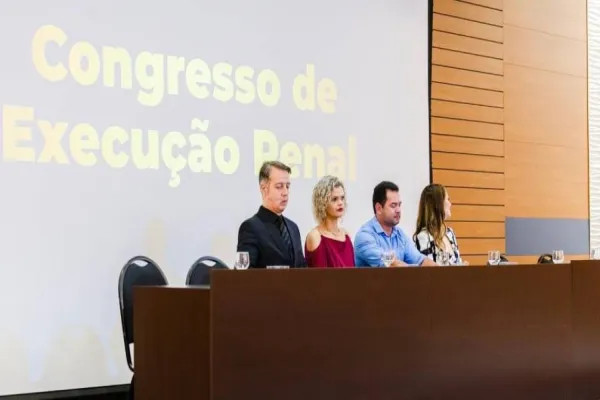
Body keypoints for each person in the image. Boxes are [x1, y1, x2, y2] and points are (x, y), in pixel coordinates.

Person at [236, 161, 306, 268]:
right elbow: (244, 274)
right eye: (279, 187)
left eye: (287, 186)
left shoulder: (293, 228)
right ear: (264, 189)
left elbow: (302, 268)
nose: (285, 192)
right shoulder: (250, 227)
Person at [354, 181, 437, 267]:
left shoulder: (399, 234)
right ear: (379, 208)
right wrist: (415, 269)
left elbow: (421, 260)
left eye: (399, 205)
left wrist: (439, 271)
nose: (398, 210)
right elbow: (391, 264)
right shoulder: (365, 236)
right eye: (393, 205)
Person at [305, 175, 355, 268]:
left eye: (342, 198)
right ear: (322, 203)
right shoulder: (315, 236)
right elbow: (320, 275)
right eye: (334, 199)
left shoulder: (346, 235)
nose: (340, 203)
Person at [413, 183, 462, 265]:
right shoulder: (424, 237)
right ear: (438, 204)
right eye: (448, 199)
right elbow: (429, 270)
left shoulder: (450, 233)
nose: (450, 204)